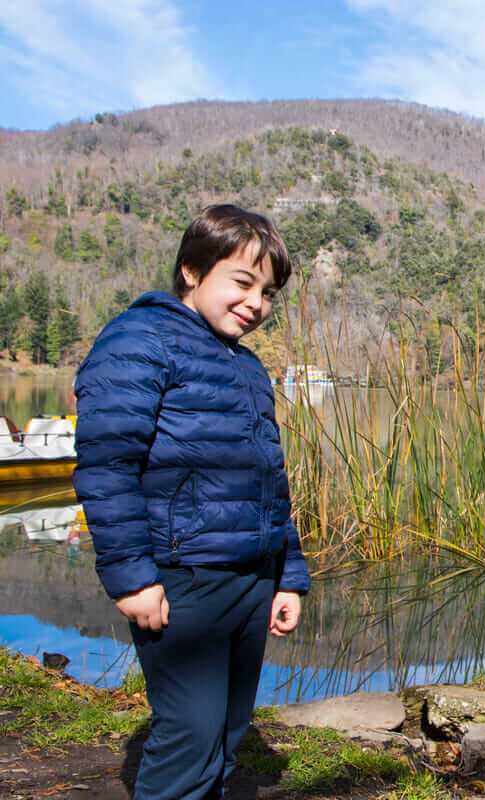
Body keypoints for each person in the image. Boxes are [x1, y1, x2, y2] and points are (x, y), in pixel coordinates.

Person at [72, 204, 311, 799]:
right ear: (191, 271)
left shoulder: (249, 368)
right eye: (243, 282)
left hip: (252, 580)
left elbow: (269, 482)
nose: (256, 304)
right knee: (189, 735)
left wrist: (288, 577)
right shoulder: (138, 340)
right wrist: (132, 578)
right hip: (183, 580)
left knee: (228, 735)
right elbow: (107, 467)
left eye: (269, 293)